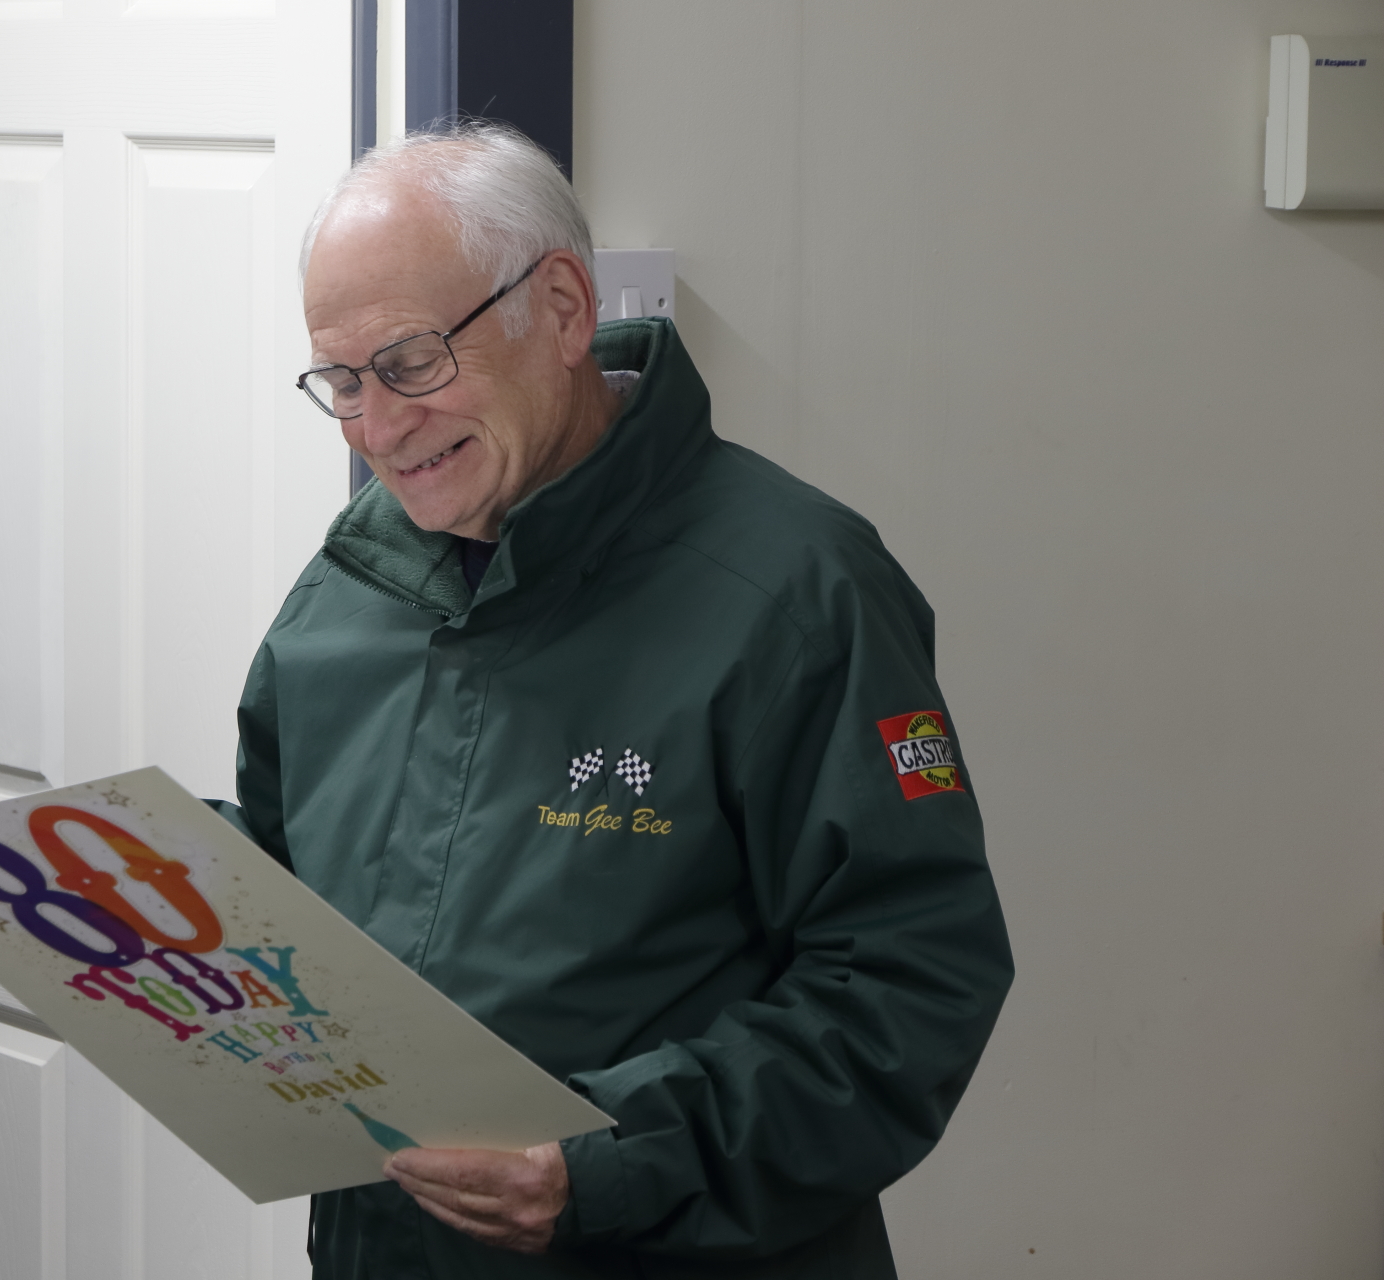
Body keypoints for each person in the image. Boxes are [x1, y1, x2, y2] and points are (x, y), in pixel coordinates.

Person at [220, 124, 1014, 1279]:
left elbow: (909, 982)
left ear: (560, 309)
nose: (374, 431)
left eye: (409, 363)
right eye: (340, 381)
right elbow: (290, 876)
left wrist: (609, 1160)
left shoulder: (797, 591)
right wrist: (143, 916)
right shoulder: (353, 580)